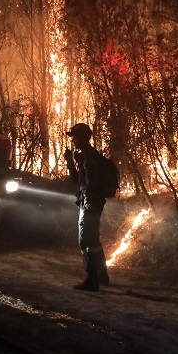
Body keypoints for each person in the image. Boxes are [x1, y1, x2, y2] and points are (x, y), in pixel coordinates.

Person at [63, 123, 111, 292]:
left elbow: (88, 183)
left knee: (86, 241)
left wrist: (89, 200)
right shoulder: (87, 155)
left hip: (90, 203)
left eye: (75, 136)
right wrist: (70, 162)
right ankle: (102, 275)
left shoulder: (89, 157)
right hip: (92, 201)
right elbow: (79, 181)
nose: (73, 140)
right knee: (94, 240)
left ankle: (92, 280)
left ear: (83, 137)